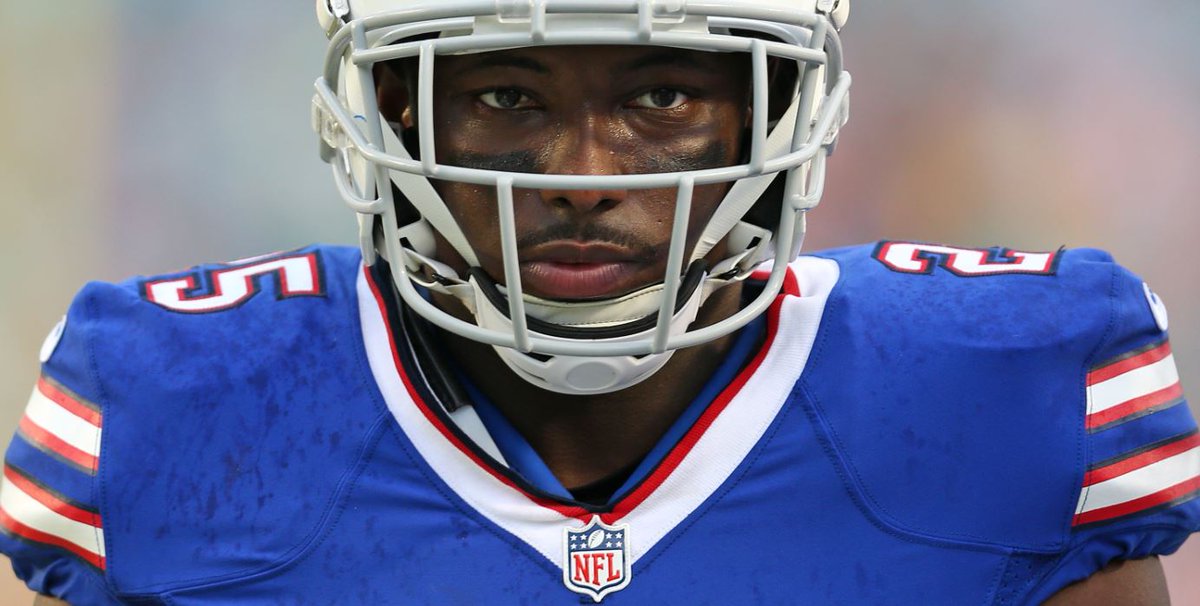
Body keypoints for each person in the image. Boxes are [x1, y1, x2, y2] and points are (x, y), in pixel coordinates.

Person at [3, 0, 1198, 603]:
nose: (584, 177)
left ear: (778, 110)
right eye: (507, 98)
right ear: (392, 113)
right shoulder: (176, 410)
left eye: (663, 96)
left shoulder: (1007, 395)